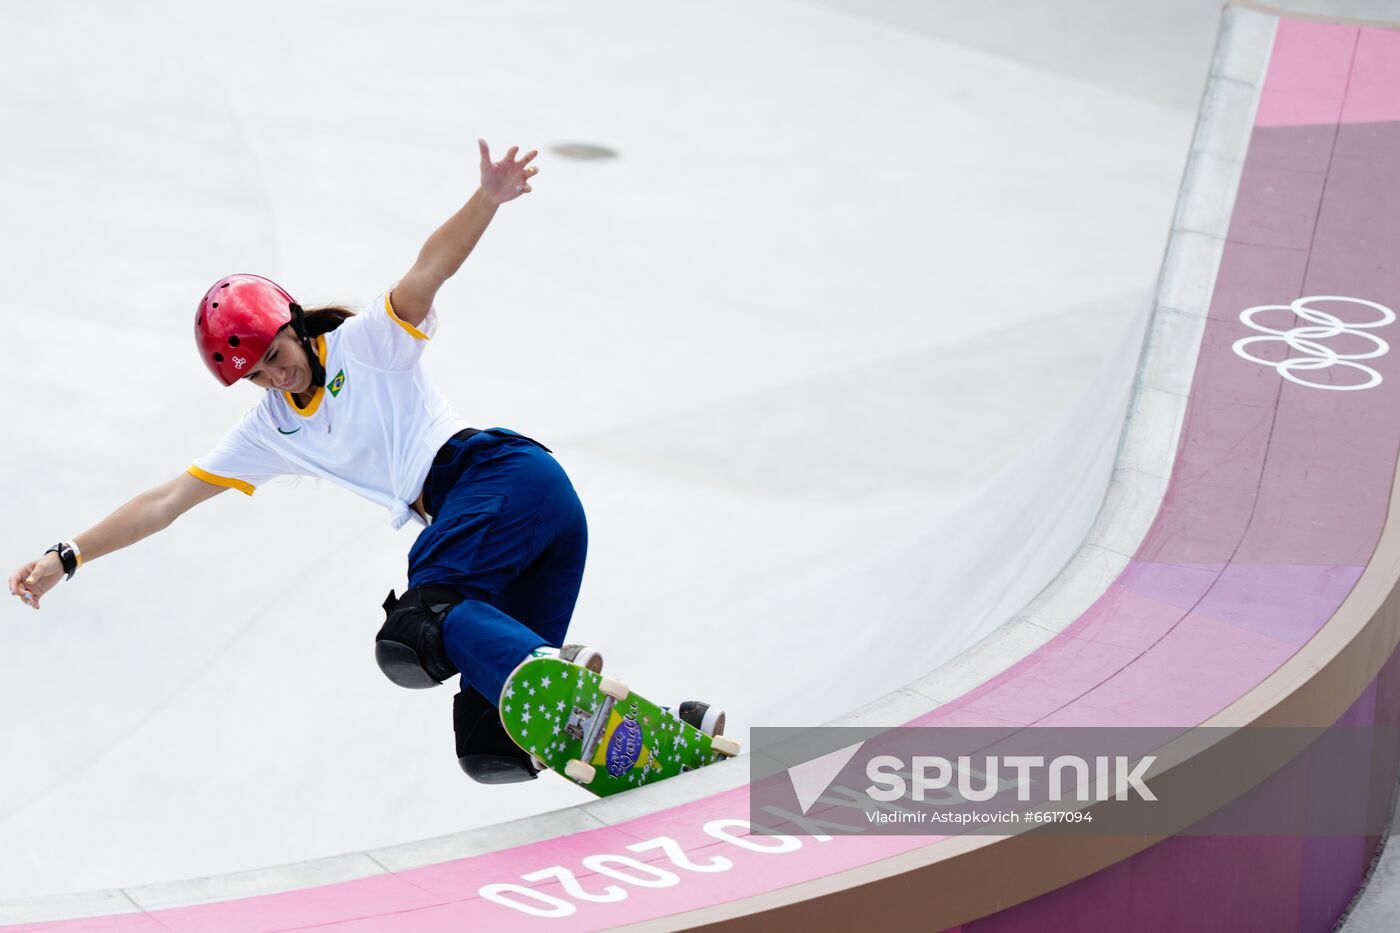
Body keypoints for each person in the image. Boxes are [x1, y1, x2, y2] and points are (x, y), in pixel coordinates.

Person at [8, 139, 721, 785]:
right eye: (255, 375)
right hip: (519, 532)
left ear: (293, 325)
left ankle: (564, 677)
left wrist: (488, 199)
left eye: (275, 355)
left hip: (499, 481)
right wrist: (68, 554)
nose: (274, 377)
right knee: (490, 746)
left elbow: (428, 269)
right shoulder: (270, 434)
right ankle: (673, 734)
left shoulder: (367, 345)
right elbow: (166, 501)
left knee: (416, 625)